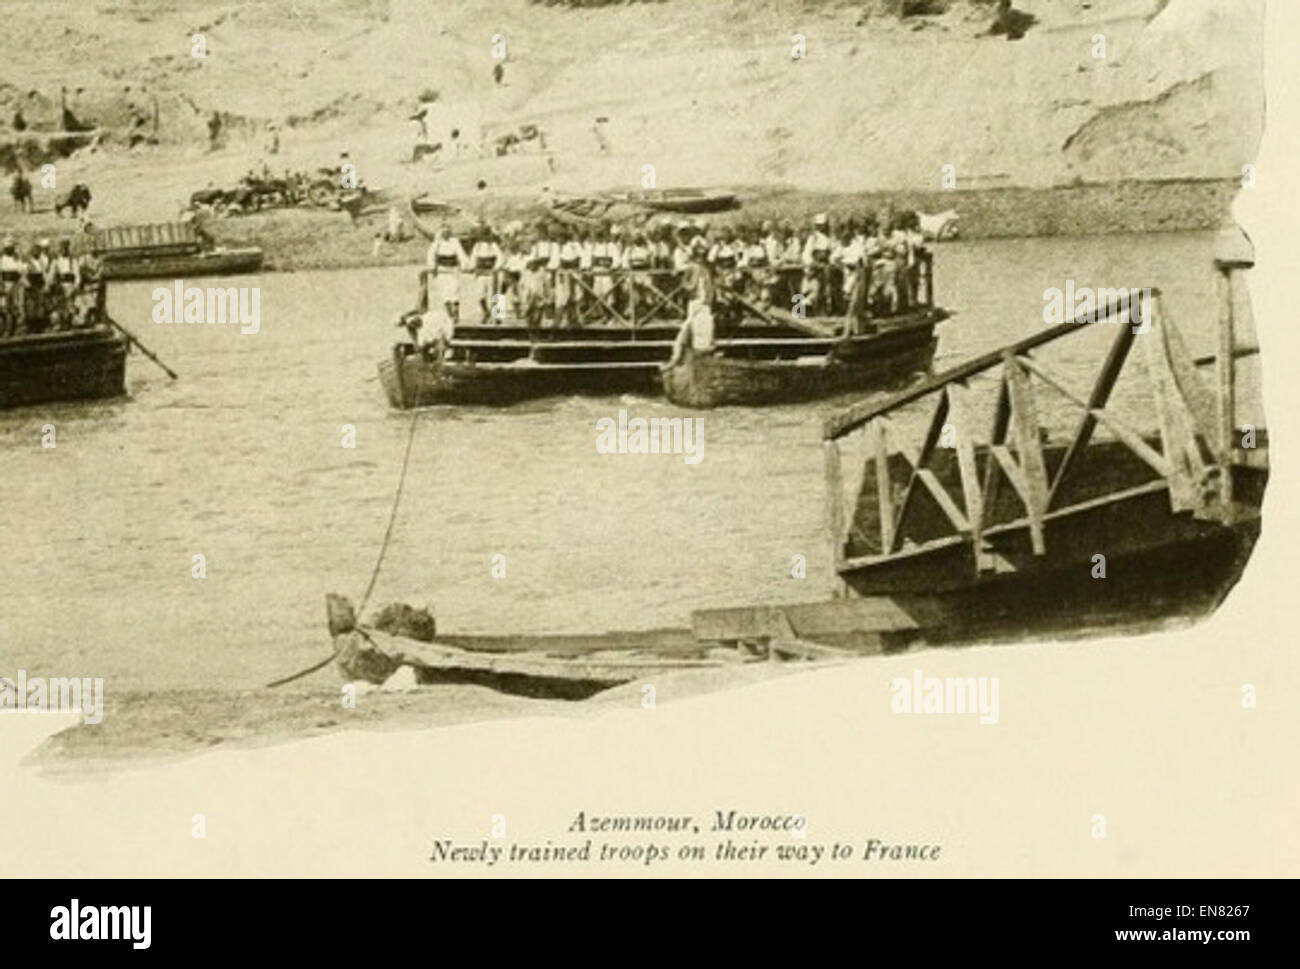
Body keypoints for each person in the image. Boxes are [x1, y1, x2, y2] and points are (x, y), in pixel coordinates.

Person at [668, 236, 717, 365]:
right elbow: (684, 283)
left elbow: (711, 284)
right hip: (695, 301)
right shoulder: (691, 267)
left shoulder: (707, 268)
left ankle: (703, 353)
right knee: (691, 326)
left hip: (705, 302)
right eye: (698, 254)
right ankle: (679, 355)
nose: (700, 257)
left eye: (703, 253)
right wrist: (690, 287)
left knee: (707, 326)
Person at [426, 223, 467, 324]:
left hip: (453, 269)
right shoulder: (437, 243)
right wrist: (432, 267)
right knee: (445, 293)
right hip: (442, 270)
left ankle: (456, 313)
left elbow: (461, 254)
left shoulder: (455, 242)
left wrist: (465, 264)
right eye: (444, 232)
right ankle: (450, 314)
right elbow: (431, 255)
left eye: (448, 231)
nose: (446, 234)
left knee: (455, 291)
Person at [467, 222, 502, 323]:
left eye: (486, 234)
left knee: (495, 294)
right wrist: (471, 267)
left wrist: (496, 267)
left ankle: (498, 315)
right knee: (480, 294)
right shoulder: (477, 246)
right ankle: (486, 311)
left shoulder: (494, 245)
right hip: (480, 272)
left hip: (491, 272)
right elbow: (473, 259)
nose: (485, 237)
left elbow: (500, 257)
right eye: (483, 234)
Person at [551, 227, 585, 329]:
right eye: (557, 237)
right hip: (559, 276)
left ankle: (568, 322)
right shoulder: (555, 248)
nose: (558, 239)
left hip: (569, 276)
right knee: (561, 299)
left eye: (559, 237)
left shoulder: (572, 246)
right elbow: (553, 264)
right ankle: (499, 316)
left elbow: (578, 260)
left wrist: (565, 264)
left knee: (570, 298)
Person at [801, 213, 834, 315]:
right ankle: (801, 311)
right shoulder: (813, 238)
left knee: (825, 293)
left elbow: (832, 253)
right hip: (814, 269)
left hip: (825, 268)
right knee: (810, 291)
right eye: (819, 225)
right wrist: (812, 265)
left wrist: (830, 262)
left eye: (823, 225)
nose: (822, 227)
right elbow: (806, 255)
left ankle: (824, 313)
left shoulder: (829, 238)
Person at [50, 239, 80, 328]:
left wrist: (76, 285)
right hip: (60, 286)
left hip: (70, 285)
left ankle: (69, 323)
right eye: (62, 248)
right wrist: (51, 284)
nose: (63, 250)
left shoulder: (73, 261)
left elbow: (77, 274)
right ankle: (60, 324)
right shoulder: (56, 261)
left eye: (65, 248)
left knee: (70, 305)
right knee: (60, 305)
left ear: (68, 248)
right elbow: (51, 274)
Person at [0, 236, 24, 337]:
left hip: (15, 285)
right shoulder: (1, 259)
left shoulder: (17, 259)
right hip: (4, 285)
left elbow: (22, 271)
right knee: (4, 308)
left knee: (14, 308)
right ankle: (4, 329)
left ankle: (12, 330)